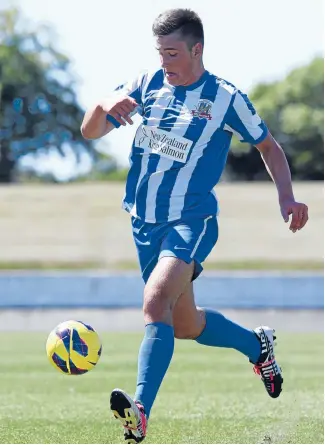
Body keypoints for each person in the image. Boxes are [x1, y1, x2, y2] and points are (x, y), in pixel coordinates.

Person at [81, 8, 309, 443]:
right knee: (183, 325)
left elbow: (267, 145)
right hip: (142, 222)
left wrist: (286, 197)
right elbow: (89, 132)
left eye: (172, 53)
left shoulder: (225, 97)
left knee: (153, 303)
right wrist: (101, 106)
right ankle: (257, 347)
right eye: (160, 52)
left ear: (196, 49)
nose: (165, 61)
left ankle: (140, 413)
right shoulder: (145, 84)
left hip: (192, 220)